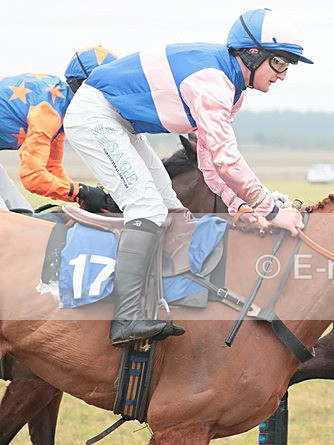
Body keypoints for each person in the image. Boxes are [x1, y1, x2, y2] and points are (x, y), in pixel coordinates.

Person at [63, 7, 310, 347]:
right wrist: (270, 210)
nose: (283, 74)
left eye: (288, 66)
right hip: (97, 117)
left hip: (121, 123)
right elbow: (226, 159)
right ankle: (127, 317)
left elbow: (209, 160)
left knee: (172, 210)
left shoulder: (230, 90)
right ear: (253, 55)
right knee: (147, 209)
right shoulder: (213, 83)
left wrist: (240, 207)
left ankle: (162, 298)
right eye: (279, 63)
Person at [0, 45, 118, 214]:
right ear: (83, 87)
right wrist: (80, 191)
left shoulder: (61, 106)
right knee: (6, 224)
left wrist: (82, 196)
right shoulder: (48, 112)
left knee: (24, 214)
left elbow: (52, 169)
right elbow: (33, 177)